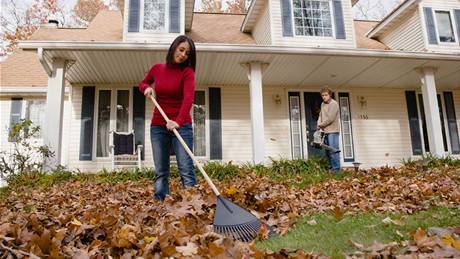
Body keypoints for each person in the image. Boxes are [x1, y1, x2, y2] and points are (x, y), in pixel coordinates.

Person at [139, 35, 197, 201]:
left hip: (182, 126)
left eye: (187, 53)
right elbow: (143, 83)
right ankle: (160, 203)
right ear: (174, 48)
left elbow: (188, 99)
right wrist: (147, 88)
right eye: (181, 50)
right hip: (158, 126)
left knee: (186, 168)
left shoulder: (187, 72)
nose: (183, 55)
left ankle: (194, 204)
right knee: (161, 170)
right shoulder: (157, 69)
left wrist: (177, 122)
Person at [317, 87, 341, 173]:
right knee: (327, 152)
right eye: (322, 95)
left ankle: (336, 170)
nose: (324, 97)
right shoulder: (322, 104)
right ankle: (331, 168)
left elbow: (330, 118)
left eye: (326, 95)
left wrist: (321, 125)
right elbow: (320, 115)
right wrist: (318, 123)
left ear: (330, 95)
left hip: (333, 131)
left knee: (333, 150)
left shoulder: (334, 104)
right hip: (325, 131)